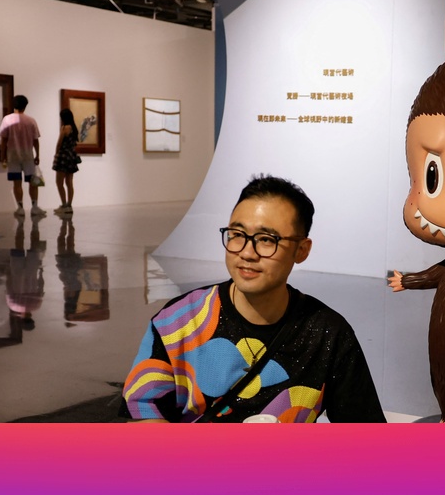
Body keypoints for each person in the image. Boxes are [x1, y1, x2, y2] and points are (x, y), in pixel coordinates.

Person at [123, 175, 385, 423]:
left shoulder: (328, 334)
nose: (247, 253)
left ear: (301, 250)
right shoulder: (177, 322)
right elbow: (142, 414)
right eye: (237, 235)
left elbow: (366, 434)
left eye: (266, 239)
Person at [0, 95, 44, 217]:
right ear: (25, 106)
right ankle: (34, 207)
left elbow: (4, 140)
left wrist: (3, 156)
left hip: (13, 155)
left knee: (17, 183)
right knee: (33, 182)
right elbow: (35, 140)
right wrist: (37, 155)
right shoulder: (31, 121)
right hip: (28, 155)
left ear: (14, 105)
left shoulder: (7, 120)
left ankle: (20, 208)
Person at [52, 109, 82, 215]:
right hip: (71, 157)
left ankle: (64, 205)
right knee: (69, 182)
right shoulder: (74, 128)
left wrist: (56, 154)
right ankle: (69, 205)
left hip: (63, 156)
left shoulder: (65, 128)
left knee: (59, 182)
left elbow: (59, 143)